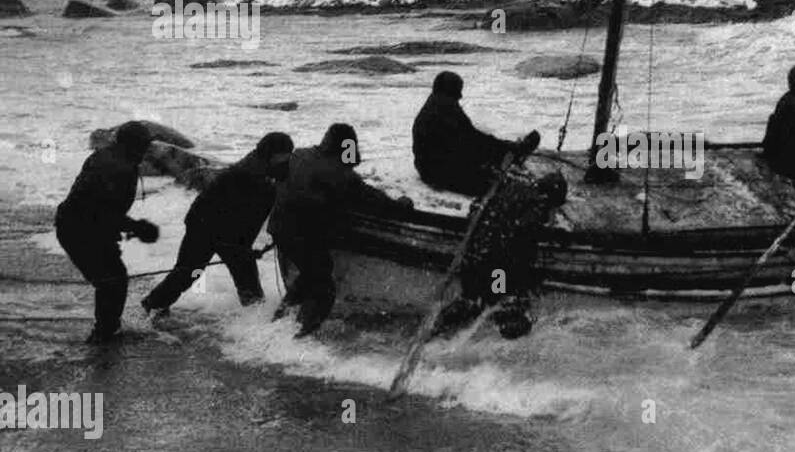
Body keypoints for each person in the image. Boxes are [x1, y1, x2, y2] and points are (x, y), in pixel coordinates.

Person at [270, 124, 414, 337]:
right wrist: (402, 204)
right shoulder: (340, 174)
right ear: (347, 148)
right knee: (324, 290)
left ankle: (276, 324)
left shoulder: (300, 155)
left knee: (311, 273)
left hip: (278, 227)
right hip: (300, 233)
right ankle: (296, 338)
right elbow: (373, 200)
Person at [141, 132, 294, 317]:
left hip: (226, 229)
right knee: (191, 272)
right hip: (205, 227)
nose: (289, 158)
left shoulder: (267, 169)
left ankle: (255, 320)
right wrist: (246, 249)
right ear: (272, 154)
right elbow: (247, 219)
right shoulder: (251, 176)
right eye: (285, 153)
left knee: (240, 278)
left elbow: (250, 218)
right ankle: (153, 304)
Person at [427, 170, 568, 341]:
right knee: (501, 303)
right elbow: (522, 239)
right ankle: (498, 344)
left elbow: (478, 207)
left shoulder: (511, 187)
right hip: (497, 268)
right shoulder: (536, 206)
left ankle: (437, 328)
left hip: (473, 256)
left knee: (470, 298)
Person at [55, 121, 160, 344]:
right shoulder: (118, 168)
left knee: (111, 279)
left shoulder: (109, 157)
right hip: (80, 229)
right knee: (112, 280)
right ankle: (104, 334)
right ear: (133, 145)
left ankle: (107, 328)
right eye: (144, 145)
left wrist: (129, 227)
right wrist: (138, 227)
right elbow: (102, 212)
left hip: (80, 225)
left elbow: (101, 210)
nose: (147, 151)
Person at [412, 71, 541, 195]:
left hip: (429, 167)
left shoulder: (435, 103)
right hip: (437, 172)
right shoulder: (446, 107)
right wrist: (505, 146)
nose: (460, 96)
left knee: (484, 155)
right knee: (497, 185)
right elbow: (471, 138)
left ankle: (510, 152)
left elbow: (466, 137)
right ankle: (513, 152)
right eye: (458, 90)